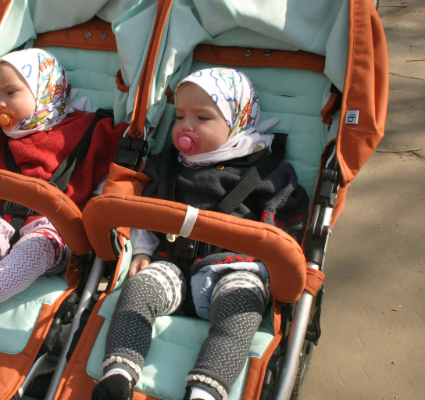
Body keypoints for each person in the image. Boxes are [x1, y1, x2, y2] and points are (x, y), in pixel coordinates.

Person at [91, 68, 309, 400]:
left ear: (238, 122)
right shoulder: (168, 165)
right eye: (179, 116)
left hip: (234, 269)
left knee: (240, 312)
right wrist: (143, 250)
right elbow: (147, 210)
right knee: (137, 290)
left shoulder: (268, 172)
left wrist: (274, 271)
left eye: (202, 117)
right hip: (173, 266)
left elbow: (287, 224)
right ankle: (119, 372)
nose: (185, 126)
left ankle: (205, 390)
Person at [0, 48, 128, 350]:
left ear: (46, 91)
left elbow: (118, 159)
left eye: (11, 92)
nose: (1, 104)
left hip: (55, 231)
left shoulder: (90, 130)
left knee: (34, 248)